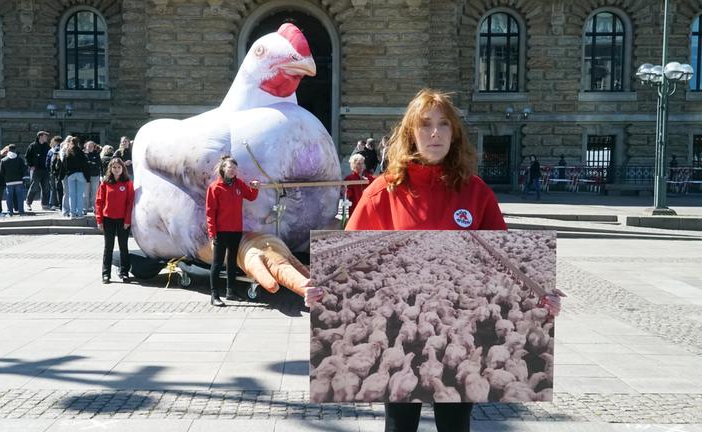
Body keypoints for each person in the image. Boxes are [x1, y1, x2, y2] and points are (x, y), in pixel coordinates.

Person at [305, 89, 563, 432]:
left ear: (455, 133)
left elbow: (506, 261)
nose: (435, 133)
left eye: (444, 124)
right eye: (425, 124)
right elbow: (348, 262)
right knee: (399, 425)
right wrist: (320, 290)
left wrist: (540, 292)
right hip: (394, 320)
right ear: (411, 133)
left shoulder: (476, 192)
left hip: (463, 324)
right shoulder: (382, 192)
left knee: (455, 425)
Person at [205, 156, 260, 307]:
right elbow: (210, 212)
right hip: (221, 231)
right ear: (223, 169)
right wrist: (212, 233)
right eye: (230, 168)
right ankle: (214, 295)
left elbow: (251, 196)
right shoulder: (215, 187)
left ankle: (231, 292)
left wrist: (255, 187)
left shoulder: (239, 184)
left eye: (235, 168)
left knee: (232, 261)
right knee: (217, 263)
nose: (233, 170)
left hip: (236, 230)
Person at [95, 158, 134, 284]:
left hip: (123, 220)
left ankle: (124, 273)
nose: (117, 170)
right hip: (108, 219)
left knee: (123, 247)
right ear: (110, 169)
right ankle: (106, 274)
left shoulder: (127, 183)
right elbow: (99, 202)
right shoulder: (105, 183)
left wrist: (128, 220)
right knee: (108, 247)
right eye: (114, 167)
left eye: (119, 167)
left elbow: (130, 203)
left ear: (123, 169)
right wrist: (99, 220)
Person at [61, 136, 90, 218]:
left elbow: (64, 166)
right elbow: (85, 166)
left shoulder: (67, 153)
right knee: (80, 195)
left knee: (71, 195)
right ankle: (79, 213)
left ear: (70, 143)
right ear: (78, 143)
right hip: (80, 174)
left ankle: (72, 214)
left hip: (70, 175)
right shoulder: (81, 152)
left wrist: (61, 176)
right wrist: (87, 178)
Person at [24, 131, 51, 211]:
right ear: (40, 136)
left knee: (46, 187)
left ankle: (45, 204)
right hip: (36, 170)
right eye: (45, 136)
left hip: (45, 170)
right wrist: (31, 165)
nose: (47, 138)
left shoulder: (47, 146)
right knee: (34, 187)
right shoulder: (32, 146)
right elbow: (27, 157)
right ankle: (28, 203)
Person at [343, 153, 374, 218]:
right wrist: (345, 190)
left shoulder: (369, 177)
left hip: (367, 208)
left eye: (362, 163)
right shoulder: (349, 178)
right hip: (355, 209)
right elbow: (347, 194)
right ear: (353, 165)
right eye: (358, 164)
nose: (361, 166)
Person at [0, 144, 27, 216]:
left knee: (9, 197)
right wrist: (21, 176)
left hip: (9, 181)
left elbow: (1, 171)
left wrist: (6, 177)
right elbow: (24, 169)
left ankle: (10, 212)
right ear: (15, 150)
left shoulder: (3, 160)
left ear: (8, 150)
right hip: (19, 181)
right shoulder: (20, 159)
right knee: (20, 197)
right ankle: (21, 211)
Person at [83, 141, 103, 213]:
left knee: (94, 193)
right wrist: (92, 164)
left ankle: (95, 208)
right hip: (85, 176)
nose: (90, 147)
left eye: (92, 146)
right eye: (89, 146)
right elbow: (83, 165)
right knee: (85, 193)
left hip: (95, 176)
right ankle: (85, 209)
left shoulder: (97, 155)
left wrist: (89, 163)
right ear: (86, 147)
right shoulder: (83, 155)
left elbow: (98, 165)